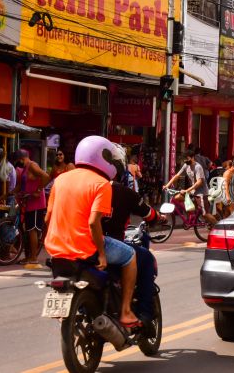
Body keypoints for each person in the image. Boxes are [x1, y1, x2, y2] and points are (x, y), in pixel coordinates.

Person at [44, 136, 140, 327]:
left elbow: (47, 218)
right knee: (130, 255)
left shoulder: (60, 179)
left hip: (56, 249)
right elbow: (93, 223)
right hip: (84, 246)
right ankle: (126, 311)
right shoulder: (101, 184)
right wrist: (102, 255)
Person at [101, 151, 165, 324]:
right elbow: (149, 213)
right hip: (105, 245)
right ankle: (142, 312)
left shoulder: (83, 187)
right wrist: (160, 217)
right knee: (145, 258)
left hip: (75, 245)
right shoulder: (122, 192)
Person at [13, 149, 50, 269]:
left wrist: (38, 191)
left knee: (33, 230)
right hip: (29, 202)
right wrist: (9, 193)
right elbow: (20, 185)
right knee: (28, 230)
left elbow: (46, 176)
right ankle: (28, 256)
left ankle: (33, 258)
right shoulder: (25, 168)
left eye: (18, 161)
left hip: (36, 204)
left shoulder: (32, 166)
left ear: (22, 159)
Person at [163, 150, 210, 214]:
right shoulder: (186, 165)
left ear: (192, 157)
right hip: (193, 191)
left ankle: (216, 223)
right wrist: (167, 185)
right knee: (177, 197)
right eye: (184, 159)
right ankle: (190, 216)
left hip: (201, 193)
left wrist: (187, 190)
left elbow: (199, 182)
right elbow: (177, 176)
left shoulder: (197, 167)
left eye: (187, 159)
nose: (185, 161)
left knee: (205, 214)